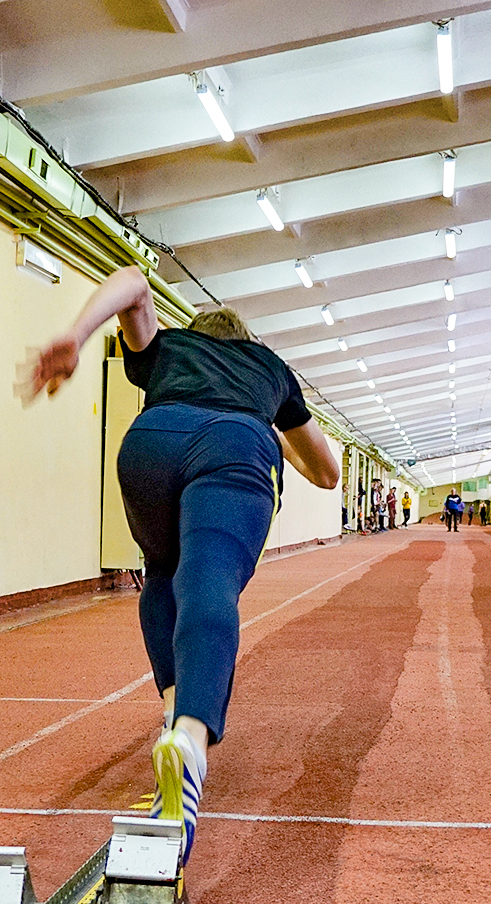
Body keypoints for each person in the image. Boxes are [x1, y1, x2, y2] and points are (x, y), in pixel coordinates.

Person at [28, 266, 339, 865]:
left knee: (163, 571)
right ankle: (191, 745)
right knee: (210, 581)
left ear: (196, 333)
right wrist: (268, 441)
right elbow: (327, 472)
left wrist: (77, 332)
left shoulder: (168, 347)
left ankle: (174, 710)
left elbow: (132, 281)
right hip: (235, 447)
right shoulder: (270, 367)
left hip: (152, 440)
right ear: (244, 341)